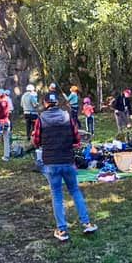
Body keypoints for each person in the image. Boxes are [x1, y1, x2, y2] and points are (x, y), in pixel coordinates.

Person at [32, 91, 98, 242]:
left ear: (45, 103)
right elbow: (77, 139)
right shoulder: (67, 117)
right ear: (57, 103)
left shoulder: (41, 119)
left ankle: (62, 230)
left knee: (57, 195)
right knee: (75, 191)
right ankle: (86, 223)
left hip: (51, 162)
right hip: (68, 161)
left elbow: (36, 141)